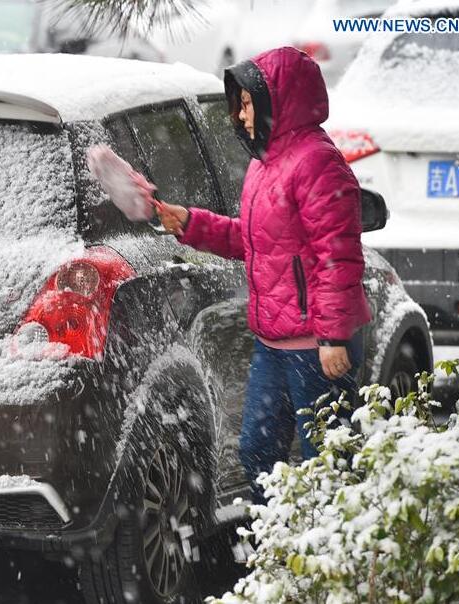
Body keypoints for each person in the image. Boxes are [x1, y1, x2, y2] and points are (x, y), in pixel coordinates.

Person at [155, 47, 372, 504]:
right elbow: (256, 242)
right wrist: (191, 223)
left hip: (317, 344)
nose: (240, 114)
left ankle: (326, 561)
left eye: (249, 102)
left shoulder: (317, 163)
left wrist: (332, 336)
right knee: (257, 453)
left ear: (279, 100)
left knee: (326, 461)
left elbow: (339, 255)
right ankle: (275, 551)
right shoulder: (264, 164)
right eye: (239, 104)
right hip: (273, 341)